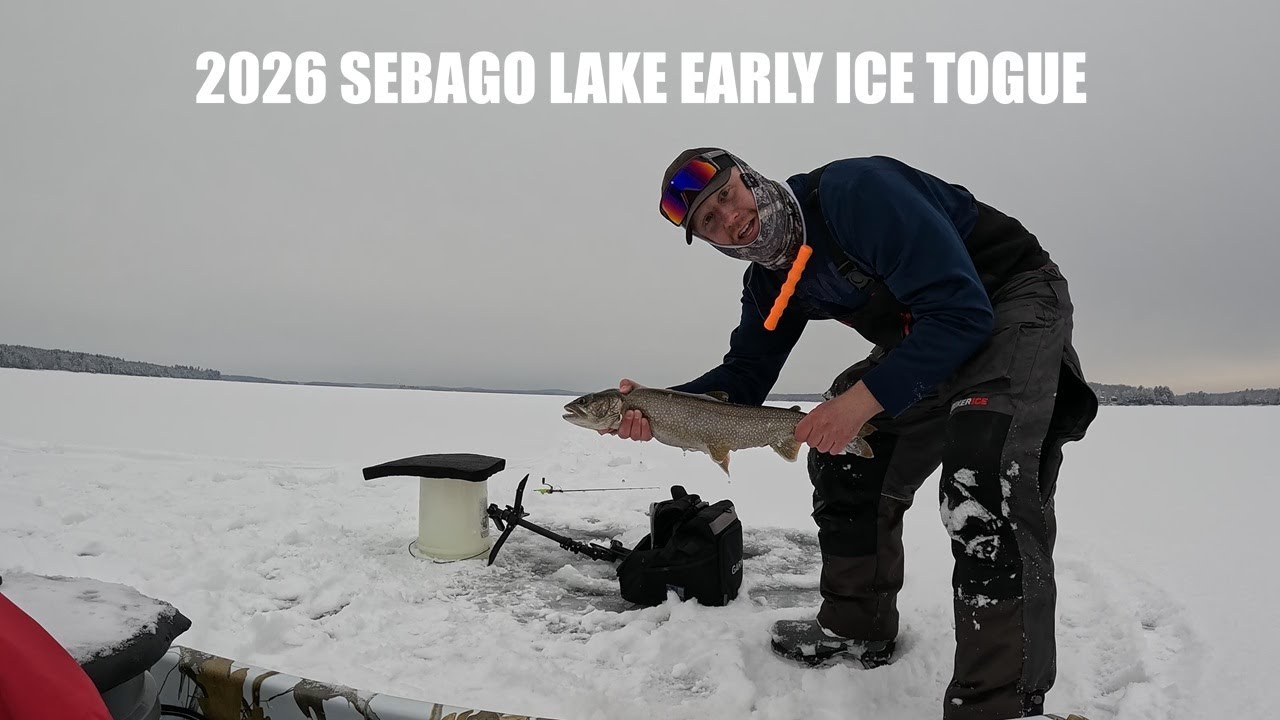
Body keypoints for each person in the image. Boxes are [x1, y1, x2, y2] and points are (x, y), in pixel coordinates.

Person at [605, 147, 1098, 720]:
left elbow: (963, 312)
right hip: (926, 336)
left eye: (725, 197)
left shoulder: (856, 195)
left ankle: (1001, 705)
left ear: (747, 176)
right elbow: (743, 379)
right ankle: (856, 626)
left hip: (1008, 300)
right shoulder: (770, 281)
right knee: (847, 458)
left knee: (982, 480)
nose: (728, 219)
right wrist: (655, 408)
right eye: (708, 223)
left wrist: (859, 403)